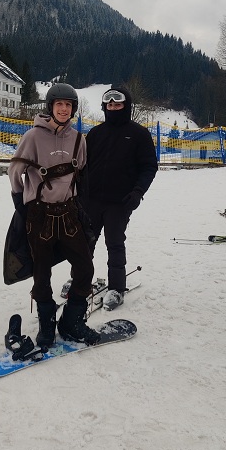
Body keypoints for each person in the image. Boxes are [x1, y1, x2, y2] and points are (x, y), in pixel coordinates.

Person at [8, 83, 100, 349]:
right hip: (40, 216)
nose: (63, 109)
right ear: (51, 107)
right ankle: (46, 327)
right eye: (59, 104)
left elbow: (80, 173)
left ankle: (71, 322)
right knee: (41, 274)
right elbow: (15, 172)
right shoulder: (32, 137)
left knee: (85, 268)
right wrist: (21, 203)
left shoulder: (79, 140)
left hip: (69, 215)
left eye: (68, 105)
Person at [84, 86, 158, 309]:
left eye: (118, 104)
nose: (114, 108)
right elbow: (83, 166)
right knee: (85, 242)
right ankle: (80, 280)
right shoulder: (95, 134)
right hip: (92, 199)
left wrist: (137, 192)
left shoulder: (138, 134)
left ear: (126, 106)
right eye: (110, 105)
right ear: (105, 107)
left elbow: (149, 167)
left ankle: (116, 288)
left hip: (120, 201)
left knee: (114, 243)